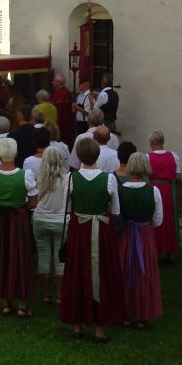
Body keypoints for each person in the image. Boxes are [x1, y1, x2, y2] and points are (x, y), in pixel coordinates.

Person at [59, 137, 126, 342]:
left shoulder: (71, 178)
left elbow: (67, 208)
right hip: (101, 231)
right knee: (101, 273)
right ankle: (99, 328)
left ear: (79, 156)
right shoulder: (109, 179)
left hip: (80, 230)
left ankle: (77, 325)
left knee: (78, 272)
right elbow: (116, 210)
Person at [0, 138, 39, 317]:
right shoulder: (25, 175)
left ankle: (6, 302)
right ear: (16, 154)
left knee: (1, 256)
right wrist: (19, 206)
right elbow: (33, 201)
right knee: (20, 257)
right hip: (18, 220)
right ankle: (22, 304)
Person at [118, 152, 164, 329]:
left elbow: (116, 214)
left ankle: (125, 314)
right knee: (144, 273)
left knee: (124, 271)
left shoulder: (120, 190)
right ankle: (142, 316)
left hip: (126, 235)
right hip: (144, 235)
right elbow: (158, 220)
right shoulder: (153, 190)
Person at [33, 147, 69, 304]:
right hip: (60, 221)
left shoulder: (39, 177)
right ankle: (60, 294)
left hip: (40, 219)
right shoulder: (67, 179)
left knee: (43, 256)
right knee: (60, 259)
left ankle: (46, 293)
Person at [147, 130, 181, 260]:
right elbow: (178, 176)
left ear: (151, 143)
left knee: (154, 217)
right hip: (168, 190)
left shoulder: (147, 157)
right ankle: (170, 251)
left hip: (153, 189)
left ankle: (154, 250)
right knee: (169, 218)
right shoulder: (173, 155)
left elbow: (145, 174)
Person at [51, 74, 75, 146]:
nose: (52, 82)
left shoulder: (62, 93)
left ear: (59, 82)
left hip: (61, 122)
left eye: (54, 80)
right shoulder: (64, 91)